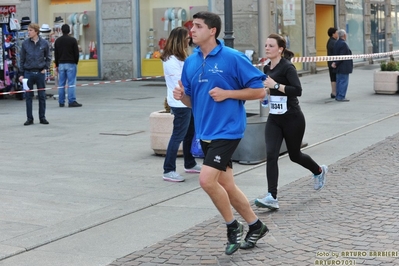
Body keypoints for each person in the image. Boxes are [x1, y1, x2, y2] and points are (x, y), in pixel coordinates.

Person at [173, 11, 269, 255]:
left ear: (212, 31)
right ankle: (256, 225)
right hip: (205, 132)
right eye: (191, 27)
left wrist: (228, 94)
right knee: (227, 185)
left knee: (206, 180)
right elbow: (192, 102)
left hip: (227, 131)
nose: (191, 31)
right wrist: (181, 96)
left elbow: (259, 92)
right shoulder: (191, 62)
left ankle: (231, 226)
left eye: (197, 26)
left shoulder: (232, 58)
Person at [254, 33, 328, 211]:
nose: (267, 48)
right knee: (271, 155)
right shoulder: (266, 69)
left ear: (280, 49)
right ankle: (272, 196)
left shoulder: (288, 68)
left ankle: (319, 171)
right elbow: (268, 90)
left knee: (295, 155)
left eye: (271, 46)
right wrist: (265, 95)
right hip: (274, 118)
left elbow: (297, 90)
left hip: (292, 118)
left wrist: (276, 86)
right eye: (266, 45)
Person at [161, 27, 201, 182]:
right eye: (186, 39)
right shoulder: (171, 60)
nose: (189, 41)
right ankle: (168, 169)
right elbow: (181, 81)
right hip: (179, 103)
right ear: (179, 40)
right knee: (178, 135)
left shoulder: (181, 57)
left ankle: (189, 163)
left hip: (188, 101)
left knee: (190, 133)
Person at [19, 23, 52, 126]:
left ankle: (42, 117)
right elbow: (22, 59)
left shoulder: (44, 43)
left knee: (42, 96)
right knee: (28, 96)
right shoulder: (25, 44)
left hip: (39, 72)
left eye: (30, 30)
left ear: (36, 31)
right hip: (28, 72)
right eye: (28, 30)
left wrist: (45, 68)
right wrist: (21, 74)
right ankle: (29, 118)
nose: (28, 32)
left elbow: (49, 57)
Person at [54, 24, 82, 107]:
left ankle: (61, 101)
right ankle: (71, 101)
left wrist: (57, 64)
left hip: (61, 63)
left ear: (61, 30)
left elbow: (56, 54)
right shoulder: (73, 40)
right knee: (71, 83)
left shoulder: (58, 41)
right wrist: (76, 62)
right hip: (71, 63)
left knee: (61, 84)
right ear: (69, 31)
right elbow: (76, 53)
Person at [331, 29, 353, 102]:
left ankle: (338, 95)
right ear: (344, 35)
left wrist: (335, 63)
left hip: (338, 67)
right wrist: (336, 63)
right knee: (343, 81)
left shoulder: (337, 43)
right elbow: (342, 56)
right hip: (343, 66)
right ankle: (341, 96)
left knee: (339, 81)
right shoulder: (343, 44)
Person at [326, 27, 338, 98]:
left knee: (333, 77)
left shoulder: (330, 41)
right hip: (333, 63)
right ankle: (334, 92)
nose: (337, 34)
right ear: (333, 34)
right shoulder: (333, 42)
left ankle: (334, 92)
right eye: (336, 33)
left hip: (331, 62)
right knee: (334, 77)